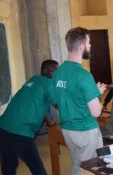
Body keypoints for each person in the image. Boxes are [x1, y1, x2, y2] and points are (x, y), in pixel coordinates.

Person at [52, 27, 106, 175]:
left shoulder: (59, 72)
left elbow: (58, 100)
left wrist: (92, 93)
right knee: (90, 170)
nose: (90, 46)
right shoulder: (84, 75)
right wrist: (97, 96)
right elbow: (96, 112)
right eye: (89, 42)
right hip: (85, 131)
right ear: (81, 46)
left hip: (68, 130)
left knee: (77, 166)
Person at [0, 59, 58, 175]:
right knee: (37, 167)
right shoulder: (49, 83)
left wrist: (50, 121)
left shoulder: (33, 79)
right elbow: (60, 103)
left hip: (3, 126)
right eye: (55, 71)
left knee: (9, 165)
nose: (57, 74)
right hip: (21, 132)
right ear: (45, 71)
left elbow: (35, 101)